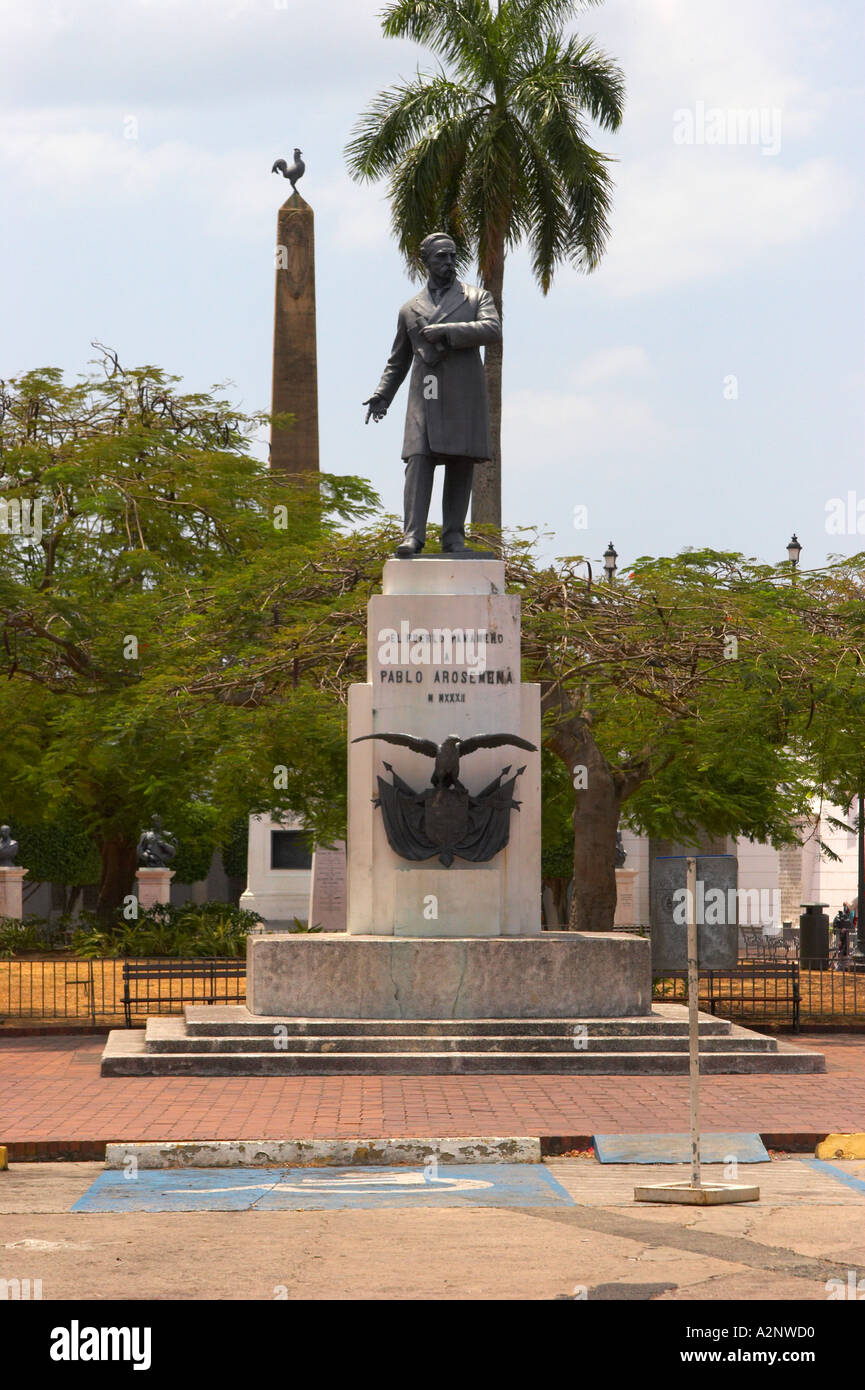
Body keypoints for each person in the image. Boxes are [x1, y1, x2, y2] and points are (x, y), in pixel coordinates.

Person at [364, 232, 502, 557]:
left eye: (453, 256)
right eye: (441, 257)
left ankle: (453, 537)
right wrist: (382, 394)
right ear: (425, 262)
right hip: (424, 395)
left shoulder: (475, 297)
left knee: (460, 461)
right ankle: (412, 536)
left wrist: (446, 332)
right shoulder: (409, 309)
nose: (449, 262)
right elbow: (398, 359)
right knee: (418, 459)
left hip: (463, 394)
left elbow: (492, 329)